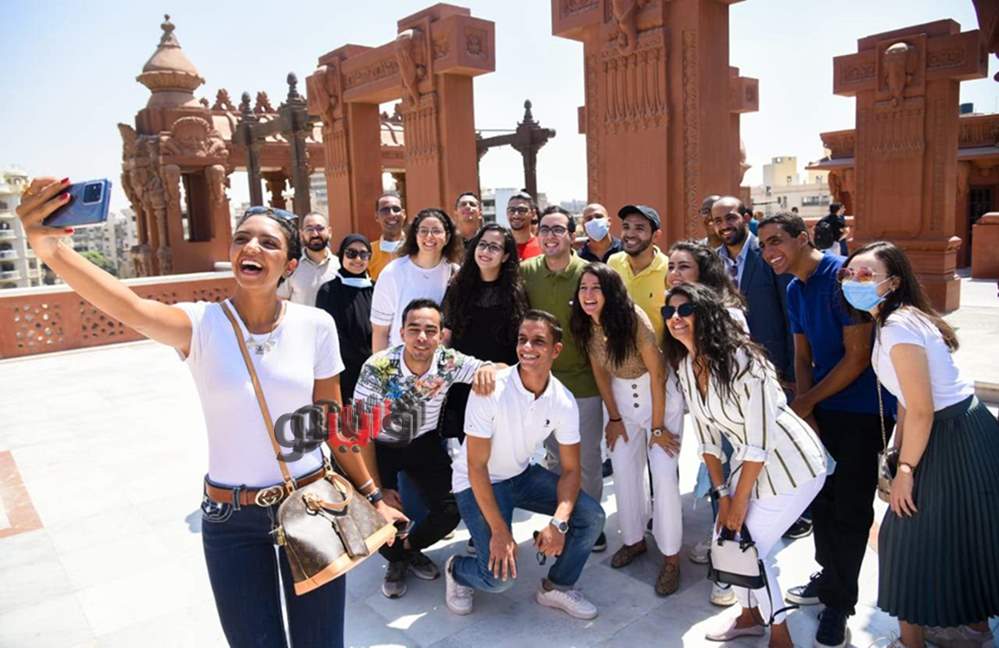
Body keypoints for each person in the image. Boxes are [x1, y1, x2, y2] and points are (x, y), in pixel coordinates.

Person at [15, 179, 407, 648]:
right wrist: (51, 250)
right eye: (242, 238)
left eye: (268, 242)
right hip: (230, 518)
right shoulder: (200, 324)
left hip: (312, 505)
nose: (251, 247)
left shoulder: (315, 325)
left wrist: (373, 494)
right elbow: (128, 306)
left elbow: (331, 423)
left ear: (291, 264)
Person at [841, 242, 999, 648]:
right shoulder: (894, 319)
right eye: (849, 273)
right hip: (956, 428)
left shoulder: (898, 326)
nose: (854, 281)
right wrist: (899, 450)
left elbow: (923, 408)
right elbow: (908, 399)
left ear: (893, 282)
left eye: (866, 275)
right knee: (962, 531)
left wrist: (906, 471)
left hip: (951, 433)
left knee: (903, 539)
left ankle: (913, 641)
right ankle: (975, 627)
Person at [662, 282, 828, 648]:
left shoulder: (744, 361)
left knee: (748, 547)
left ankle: (780, 635)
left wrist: (738, 503)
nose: (675, 317)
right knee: (727, 541)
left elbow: (759, 442)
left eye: (685, 310)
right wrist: (723, 496)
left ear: (705, 314)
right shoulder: (687, 367)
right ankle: (750, 617)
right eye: (668, 312)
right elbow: (707, 440)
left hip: (793, 464)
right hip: (750, 464)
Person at [758, 212, 896, 648]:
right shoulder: (794, 288)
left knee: (850, 510)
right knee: (820, 499)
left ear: (803, 237)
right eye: (763, 245)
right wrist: (806, 408)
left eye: (776, 240)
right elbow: (802, 355)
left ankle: (840, 603)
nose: (769, 251)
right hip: (820, 407)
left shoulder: (843, 277)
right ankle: (829, 575)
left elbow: (857, 357)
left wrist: (807, 401)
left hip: (860, 412)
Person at [445, 310, 606, 620]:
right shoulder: (490, 388)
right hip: (477, 482)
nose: (527, 348)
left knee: (592, 515)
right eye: (522, 340)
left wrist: (558, 523)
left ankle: (557, 585)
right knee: (498, 580)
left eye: (538, 341)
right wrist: (499, 531)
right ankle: (457, 569)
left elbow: (571, 470)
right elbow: (476, 467)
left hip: (521, 475)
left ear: (556, 350)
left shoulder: (563, 400)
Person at [353, 299, 501, 599]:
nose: (422, 337)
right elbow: (361, 433)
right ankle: (395, 561)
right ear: (402, 333)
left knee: (451, 509)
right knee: (377, 510)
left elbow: (497, 369)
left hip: (424, 441)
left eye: (430, 330)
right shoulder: (378, 368)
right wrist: (377, 491)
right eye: (414, 329)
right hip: (381, 444)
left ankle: (407, 550)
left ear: (441, 335)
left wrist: (487, 369)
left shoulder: (448, 362)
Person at [568, 264, 684, 596]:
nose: (588, 295)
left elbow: (658, 373)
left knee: (663, 474)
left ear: (611, 292)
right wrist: (615, 417)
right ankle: (633, 540)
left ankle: (671, 557)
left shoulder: (632, 319)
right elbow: (600, 372)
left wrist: (658, 428)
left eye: (596, 288)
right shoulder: (585, 323)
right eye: (583, 288)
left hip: (658, 396)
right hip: (621, 398)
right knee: (622, 468)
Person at [520, 206, 607, 552]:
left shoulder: (588, 274)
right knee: (555, 460)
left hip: (584, 382)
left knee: (587, 460)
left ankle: (592, 524)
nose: (550, 235)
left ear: (572, 235)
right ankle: (562, 521)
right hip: (542, 386)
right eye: (544, 229)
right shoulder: (526, 272)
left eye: (558, 229)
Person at [666, 240, 743, 607]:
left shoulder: (728, 314)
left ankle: (729, 571)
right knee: (717, 483)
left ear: (704, 273)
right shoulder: (678, 310)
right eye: (671, 266)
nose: (674, 273)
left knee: (729, 487)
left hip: (735, 420)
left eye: (684, 266)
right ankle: (720, 541)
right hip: (707, 414)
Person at [441, 224, 526, 441]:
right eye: (483, 244)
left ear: (505, 256)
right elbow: (447, 334)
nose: (486, 251)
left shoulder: (516, 293)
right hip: (464, 383)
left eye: (494, 247)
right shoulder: (457, 287)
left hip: (501, 383)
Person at [710, 196, 795, 390]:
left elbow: (791, 315)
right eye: (718, 221)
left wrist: (793, 371)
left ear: (746, 218)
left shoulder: (770, 255)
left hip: (772, 365)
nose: (724, 225)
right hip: (728, 367)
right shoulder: (711, 261)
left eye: (730, 218)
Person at [371, 208, 462, 352]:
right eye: (423, 231)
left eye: (436, 231)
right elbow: (380, 332)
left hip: (439, 360)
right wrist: (380, 365)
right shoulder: (392, 273)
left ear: (447, 236)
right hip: (398, 360)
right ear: (415, 235)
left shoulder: (455, 274)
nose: (429, 236)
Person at [315, 234, 373, 402]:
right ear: (341, 256)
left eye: (363, 254)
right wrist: (363, 358)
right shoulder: (328, 290)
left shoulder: (376, 288)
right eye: (351, 253)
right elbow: (332, 333)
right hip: (343, 369)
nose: (358, 259)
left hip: (374, 368)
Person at [607, 204, 670, 342]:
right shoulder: (613, 262)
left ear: (656, 236)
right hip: (620, 353)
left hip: (657, 354)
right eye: (626, 227)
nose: (630, 234)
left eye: (639, 228)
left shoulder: (668, 269)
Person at [277, 212, 340, 305]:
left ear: (329, 232)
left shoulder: (340, 266)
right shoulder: (291, 267)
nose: (315, 234)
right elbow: (280, 300)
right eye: (309, 229)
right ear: (301, 234)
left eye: (320, 228)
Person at [369, 191, 408, 280]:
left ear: (404, 214)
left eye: (396, 209)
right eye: (385, 210)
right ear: (376, 216)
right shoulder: (369, 252)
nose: (391, 214)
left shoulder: (417, 247)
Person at [507, 190, 542, 260]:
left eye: (522, 210)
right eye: (511, 210)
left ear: (533, 213)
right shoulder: (500, 247)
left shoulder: (542, 247)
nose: (516, 215)